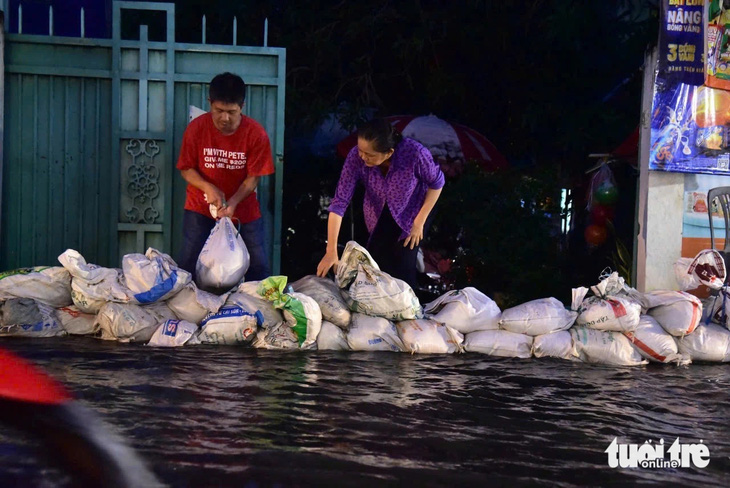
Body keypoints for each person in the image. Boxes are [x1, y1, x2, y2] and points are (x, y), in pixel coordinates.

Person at [316, 118, 445, 289]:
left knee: (404, 263)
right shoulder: (356, 156)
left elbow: (437, 183)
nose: (362, 157)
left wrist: (419, 222)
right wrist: (331, 251)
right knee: (377, 264)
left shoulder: (414, 154)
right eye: (361, 151)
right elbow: (340, 202)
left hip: (415, 209)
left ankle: (411, 309)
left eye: (369, 154)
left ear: (389, 153)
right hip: (378, 209)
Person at [176, 72, 274, 282]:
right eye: (218, 110)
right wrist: (207, 187)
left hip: (244, 210)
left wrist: (233, 203)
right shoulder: (196, 129)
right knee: (187, 265)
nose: (224, 118)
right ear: (209, 102)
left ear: (242, 106)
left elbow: (253, 178)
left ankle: (263, 311)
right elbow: (186, 169)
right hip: (200, 208)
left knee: (258, 266)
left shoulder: (256, 134)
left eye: (231, 111)